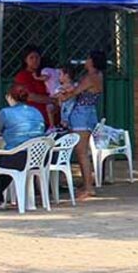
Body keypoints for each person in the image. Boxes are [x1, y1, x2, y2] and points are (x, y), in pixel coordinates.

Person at [0, 84, 47, 209]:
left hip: (19, 157)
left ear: (9, 97)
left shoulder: (5, 113)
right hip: (39, 158)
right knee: (5, 164)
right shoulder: (36, 111)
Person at [56, 50, 106, 201]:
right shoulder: (99, 76)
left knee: (81, 152)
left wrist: (60, 96)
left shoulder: (89, 78)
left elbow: (74, 93)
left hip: (81, 116)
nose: (86, 60)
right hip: (90, 112)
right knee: (84, 151)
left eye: (88, 58)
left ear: (92, 61)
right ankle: (87, 185)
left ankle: (89, 188)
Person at [13, 45, 52, 123]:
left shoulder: (44, 74)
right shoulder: (22, 76)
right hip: (33, 118)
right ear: (25, 60)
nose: (35, 60)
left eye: (37, 57)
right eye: (31, 58)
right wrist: (53, 100)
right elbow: (29, 96)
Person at [53, 64, 79, 129]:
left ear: (66, 75)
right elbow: (56, 95)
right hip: (64, 110)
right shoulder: (59, 88)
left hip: (75, 110)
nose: (58, 77)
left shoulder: (76, 85)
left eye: (60, 74)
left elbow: (74, 90)